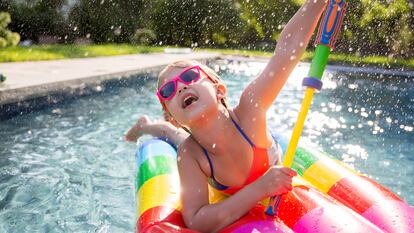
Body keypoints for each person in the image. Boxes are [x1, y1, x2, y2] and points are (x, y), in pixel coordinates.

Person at [127, 1, 327, 232]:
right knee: (171, 135)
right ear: (173, 115)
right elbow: (196, 219)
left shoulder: (250, 108)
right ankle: (147, 126)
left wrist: (317, 3)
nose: (180, 87)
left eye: (190, 76)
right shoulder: (191, 154)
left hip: (254, 143)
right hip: (199, 146)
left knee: (175, 135)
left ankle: (149, 124)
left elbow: (287, 48)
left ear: (219, 90)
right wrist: (260, 188)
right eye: (168, 91)